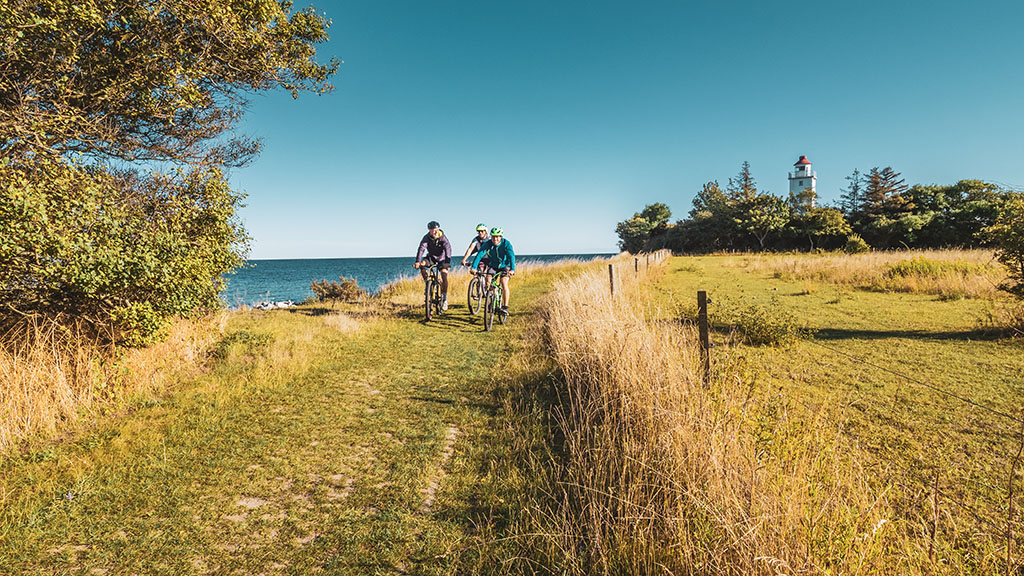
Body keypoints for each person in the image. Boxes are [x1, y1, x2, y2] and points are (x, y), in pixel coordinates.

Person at [470, 227, 515, 316]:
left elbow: (511, 256)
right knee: (488, 282)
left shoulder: (506, 244)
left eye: (497, 237)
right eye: (493, 236)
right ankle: (492, 299)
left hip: (505, 266)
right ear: (490, 236)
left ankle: (505, 307)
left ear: (501, 237)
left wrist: (512, 269)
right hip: (493, 265)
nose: (495, 239)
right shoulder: (488, 244)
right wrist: (474, 267)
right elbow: (479, 255)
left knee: (503, 282)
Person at [413, 220, 452, 311]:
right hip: (431, 258)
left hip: (442, 259)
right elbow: (421, 248)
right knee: (422, 265)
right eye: (432, 230)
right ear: (429, 230)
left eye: (436, 230)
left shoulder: (443, 238)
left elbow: (448, 249)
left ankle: (445, 299)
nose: (435, 232)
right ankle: (427, 283)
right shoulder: (426, 238)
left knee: (444, 275)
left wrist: (447, 262)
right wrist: (418, 261)